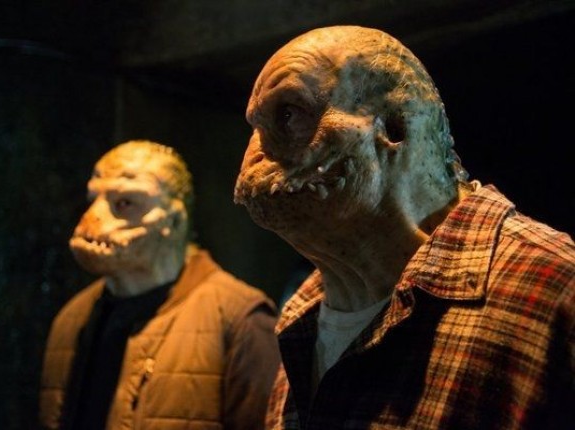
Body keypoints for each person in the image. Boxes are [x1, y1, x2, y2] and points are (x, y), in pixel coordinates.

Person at [233, 25, 575, 429]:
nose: (253, 160)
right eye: (255, 128)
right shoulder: (302, 320)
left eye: (289, 115)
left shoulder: (556, 291)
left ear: (395, 127)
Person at [40, 140, 280, 429]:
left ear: (174, 219)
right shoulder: (72, 320)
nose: (91, 220)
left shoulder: (241, 319)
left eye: (125, 203)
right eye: (93, 200)